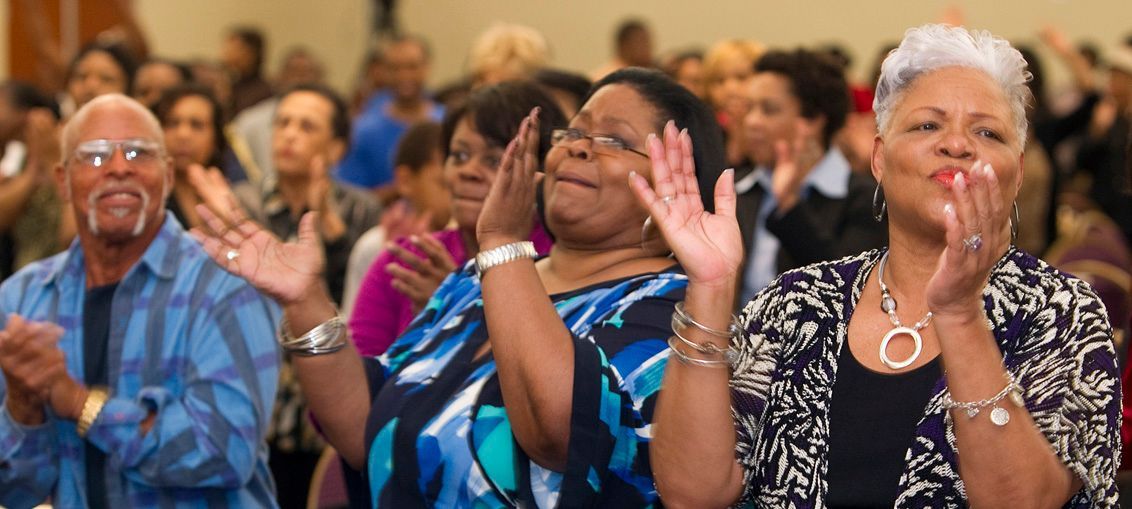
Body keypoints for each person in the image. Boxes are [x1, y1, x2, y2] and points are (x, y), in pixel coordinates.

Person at [191, 67, 725, 507]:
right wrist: (304, 300)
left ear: (676, 187)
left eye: (614, 140)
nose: (581, 148)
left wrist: (500, 243)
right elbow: (363, 427)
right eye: (575, 132)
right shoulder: (475, 280)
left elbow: (556, 433)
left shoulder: (665, 309)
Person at [642, 24, 1119, 507]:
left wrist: (958, 314)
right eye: (927, 125)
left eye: (987, 132)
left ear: (1016, 173)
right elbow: (692, 492)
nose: (957, 145)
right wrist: (711, 285)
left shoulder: (1061, 312)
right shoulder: (798, 302)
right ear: (878, 158)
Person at [0, 94, 279, 508]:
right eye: (94, 156)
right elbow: (17, 490)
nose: (118, 168)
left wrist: (77, 402)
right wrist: (23, 407)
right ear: (62, 180)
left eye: (138, 153)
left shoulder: (223, 284)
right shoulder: (23, 298)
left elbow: (223, 452)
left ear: (167, 175)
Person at [349, 82, 563, 356]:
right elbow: (360, 383)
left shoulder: (558, 265)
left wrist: (458, 305)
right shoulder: (406, 264)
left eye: (496, 160)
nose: (468, 171)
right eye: (459, 155)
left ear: (542, 172)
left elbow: (550, 383)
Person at [735, 48, 886, 302]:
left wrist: (789, 205)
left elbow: (845, 291)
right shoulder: (736, 187)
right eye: (748, 108)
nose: (751, 122)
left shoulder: (866, 199)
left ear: (814, 120)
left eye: (768, 110)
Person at [335, 35, 445, 200]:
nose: (404, 75)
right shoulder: (362, 130)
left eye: (412, 67)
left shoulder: (448, 122)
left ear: (427, 67)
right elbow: (349, 197)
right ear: (384, 71)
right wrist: (406, 187)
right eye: (395, 68)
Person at [156, 83, 246, 229]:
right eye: (172, 123)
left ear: (216, 139)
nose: (183, 135)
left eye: (196, 125)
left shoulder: (237, 196)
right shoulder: (148, 199)